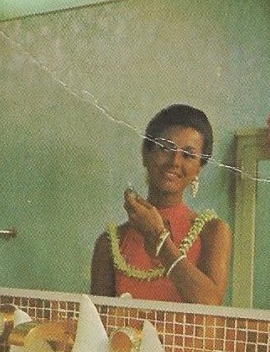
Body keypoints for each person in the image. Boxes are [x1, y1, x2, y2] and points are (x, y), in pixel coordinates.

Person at [91, 104, 232, 304]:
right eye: (165, 148)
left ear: (199, 168)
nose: (175, 162)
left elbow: (210, 303)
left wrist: (158, 238)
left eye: (188, 155)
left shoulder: (213, 232)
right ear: (146, 154)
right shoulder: (110, 243)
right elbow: (97, 320)